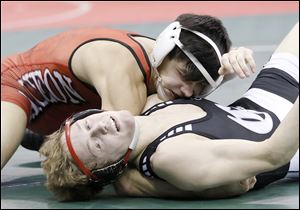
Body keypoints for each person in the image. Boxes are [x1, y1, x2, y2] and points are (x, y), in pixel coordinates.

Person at [39, 22, 298, 201]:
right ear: (110, 168)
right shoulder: (171, 158)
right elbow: (275, 153)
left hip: (266, 97)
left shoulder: (150, 104)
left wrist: (231, 61)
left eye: (86, 126)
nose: (99, 127)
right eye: (96, 144)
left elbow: (189, 78)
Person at [1, 13, 256, 169]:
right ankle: (43, 134)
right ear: (165, 49)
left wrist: (229, 70)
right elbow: (114, 162)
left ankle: (45, 134)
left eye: (201, 85)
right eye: (183, 76)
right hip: (16, 86)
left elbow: (179, 89)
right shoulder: (121, 68)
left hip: (66, 105)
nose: (188, 91)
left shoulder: (164, 69)